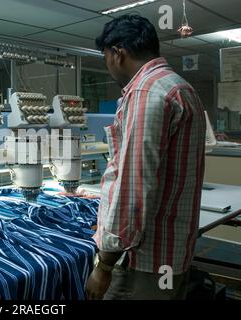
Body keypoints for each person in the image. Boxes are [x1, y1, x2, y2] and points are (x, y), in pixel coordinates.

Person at [87, 15, 206, 300]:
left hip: (145, 262)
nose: (109, 66)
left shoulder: (146, 91)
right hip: (172, 254)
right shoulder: (181, 88)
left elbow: (133, 185)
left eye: (106, 57)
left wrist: (104, 265)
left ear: (118, 53)